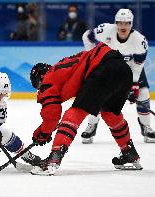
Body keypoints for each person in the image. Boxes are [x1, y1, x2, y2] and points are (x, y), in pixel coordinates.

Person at [29, 42, 143, 176]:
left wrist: (43, 133)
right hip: (123, 69)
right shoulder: (62, 68)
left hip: (103, 69)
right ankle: (129, 153)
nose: (39, 88)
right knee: (110, 113)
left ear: (40, 78)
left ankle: (54, 158)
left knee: (75, 113)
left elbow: (52, 116)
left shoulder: (48, 79)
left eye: (37, 85)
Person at [81, 8, 155, 144]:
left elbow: (138, 65)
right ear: (116, 23)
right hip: (109, 68)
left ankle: (146, 127)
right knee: (96, 95)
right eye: (120, 23)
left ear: (131, 24)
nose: (123, 26)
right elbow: (86, 36)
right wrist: (91, 57)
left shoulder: (139, 40)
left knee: (143, 93)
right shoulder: (105, 30)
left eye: (126, 23)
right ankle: (92, 125)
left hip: (131, 69)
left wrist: (134, 84)